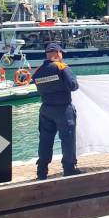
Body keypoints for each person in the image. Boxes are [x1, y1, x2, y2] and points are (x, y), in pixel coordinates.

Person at [32, 43, 80, 180]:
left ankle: (42, 171)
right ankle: (69, 169)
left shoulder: (38, 71)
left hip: (46, 109)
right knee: (68, 139)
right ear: (58, 53)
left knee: (45, 140)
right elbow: (73, 86)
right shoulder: (61, 67)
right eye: (61, 53)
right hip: (63, 109)